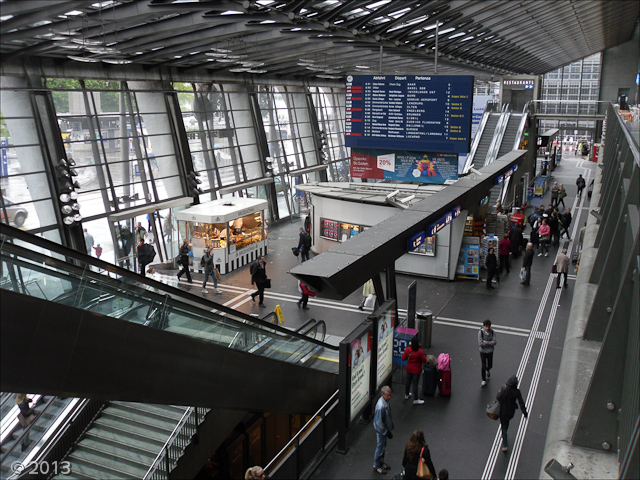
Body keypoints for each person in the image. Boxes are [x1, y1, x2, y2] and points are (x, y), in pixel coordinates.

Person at [496, 375, 528, 452]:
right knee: (506, 424)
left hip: (502, 411)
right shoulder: (517, 392)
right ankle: (504, 434)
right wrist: (525, 414)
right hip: (510, 412)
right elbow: (521, 403)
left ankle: (505, 444)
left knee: (503, 426)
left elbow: (498, 397)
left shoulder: (504, 388)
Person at [373, 385, 394, 474]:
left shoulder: (385, 402)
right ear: (382, 395)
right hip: (381, 431)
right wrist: (386, 432)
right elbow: (379, 423)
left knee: (382, 447)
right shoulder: (380, 407)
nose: (389, 397)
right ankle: (376, 465)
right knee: (380, 447)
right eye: (388, 395)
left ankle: (381, 462)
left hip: (384, 430)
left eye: (390, 395)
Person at [401, 337, 426, 404]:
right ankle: (415, 399)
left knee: (408, 382)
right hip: (416, 370)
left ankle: (406, 394)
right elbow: (424, 360)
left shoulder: (407, 350)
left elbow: (403, 358)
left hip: (409, 368)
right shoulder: (420, 352)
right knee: (415, 384)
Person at [479, 319, 496, 387]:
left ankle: (488, 369)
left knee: (490, 365)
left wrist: (485, 342)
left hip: (490, 351)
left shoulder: (492, 332)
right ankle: (483, 380)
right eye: (486, 327)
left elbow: (494, 342)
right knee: (483, 365)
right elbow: (480, 344)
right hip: (483, 352)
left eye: (488, 326)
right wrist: (490, 343)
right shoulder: (480, 333)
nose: (487, 328)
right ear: (484, 326)